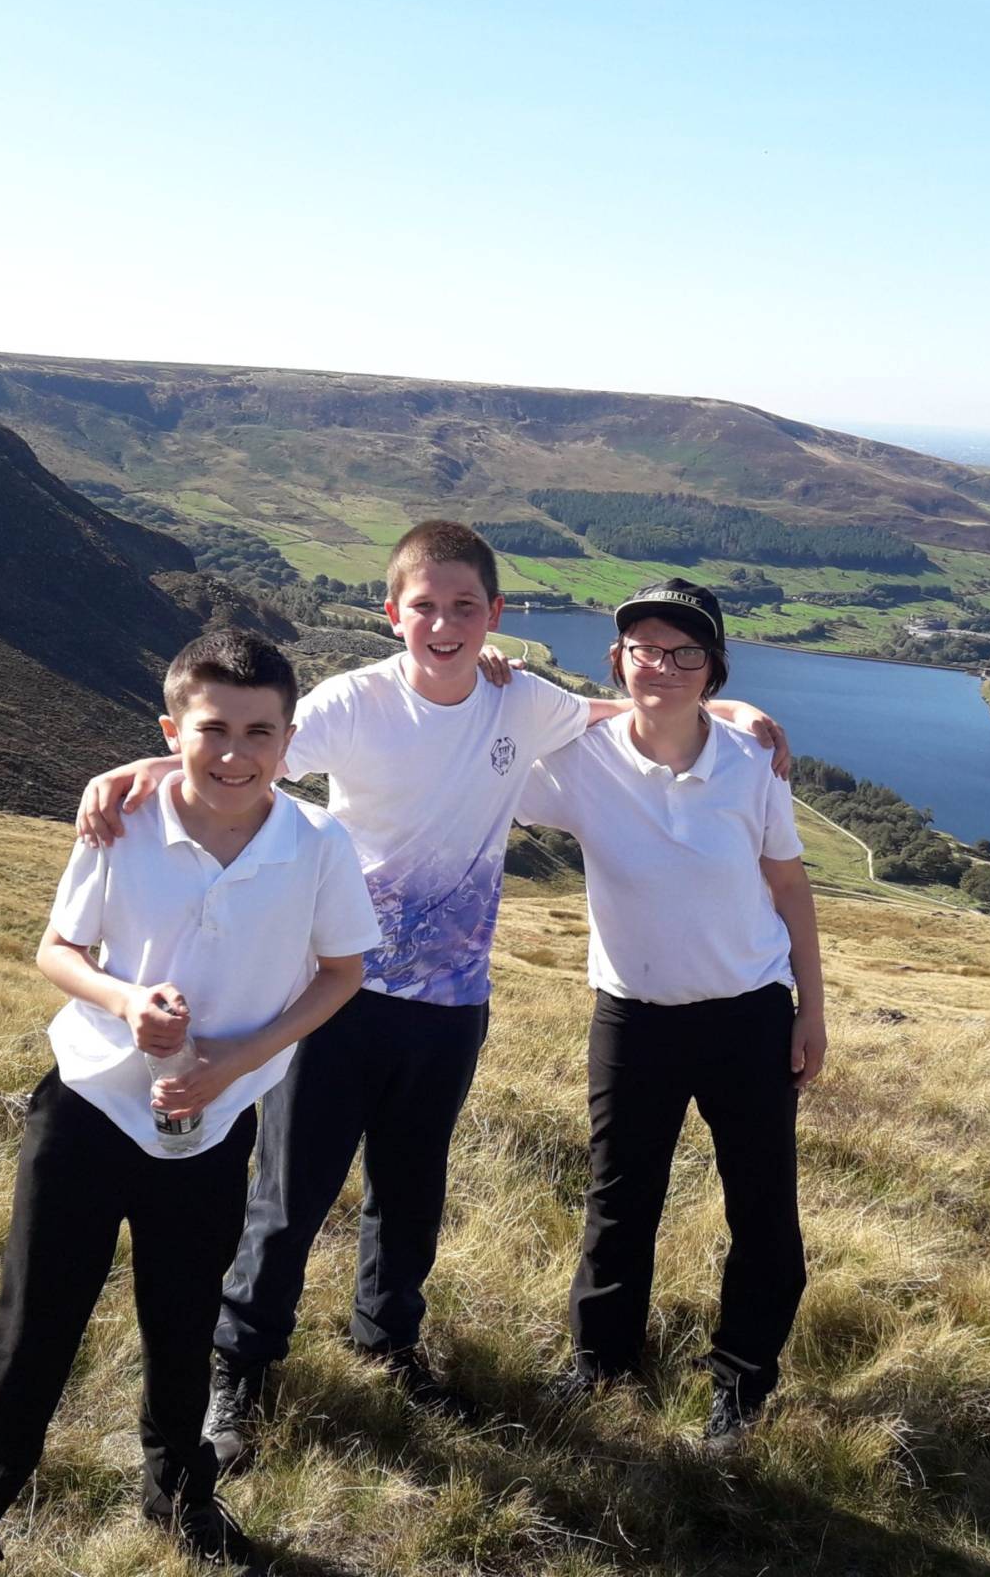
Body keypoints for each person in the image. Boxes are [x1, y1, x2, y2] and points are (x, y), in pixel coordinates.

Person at [72, 521, 788, 1472]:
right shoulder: (351, 703)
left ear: (494, 615)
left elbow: (632, 712)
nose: (443, 625)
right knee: (291, 1196)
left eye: (464, 608)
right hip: (333, 993)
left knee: (411, 1193)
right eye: (424, 607)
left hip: (452, 1005)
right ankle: (238, 1369)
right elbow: (247, 757)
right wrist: (136, 770)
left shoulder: (522, 701)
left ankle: (387, 1341)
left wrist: (739, 717)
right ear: (392, 613)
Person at [0, 631, 380, 1576]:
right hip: (85, 1106)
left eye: (260, 733)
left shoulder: (318, 844)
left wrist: (233, 1063)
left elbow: (341, 973)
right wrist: (126, 1003)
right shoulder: (120, 823)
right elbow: (56, 949)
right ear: (173, 731)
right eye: (212, 731)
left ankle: (178, 1498)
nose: (236, 754)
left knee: (181, 1321)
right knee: (34, 1323)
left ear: (291, 742)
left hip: (211, 1125)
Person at [507, 578, 827, 1452]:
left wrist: (811, 1011)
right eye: (646, 649)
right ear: (618, 662)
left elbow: (788, 885)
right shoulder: (579, 763)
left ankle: (742, 1381)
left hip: (750, 1015)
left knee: (762, 1209)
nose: (664, 666)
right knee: (619, 1200)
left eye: (686, 653)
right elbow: (472, 761)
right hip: (632, 1019)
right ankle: (602, 1365)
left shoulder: (751, 761)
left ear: (713, 668)